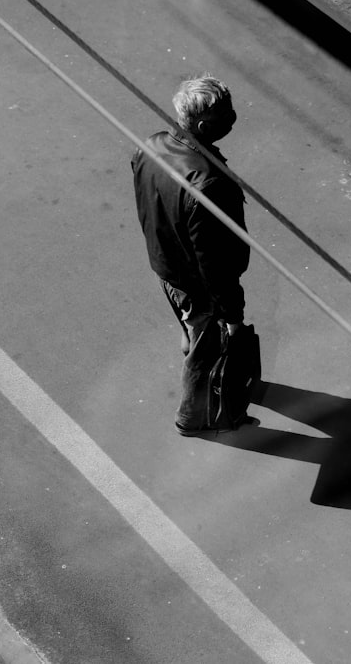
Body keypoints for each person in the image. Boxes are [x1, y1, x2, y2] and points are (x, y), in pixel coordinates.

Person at [132, 75, 257, 436]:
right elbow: (214, 263)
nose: (233, 119)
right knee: (206, 346)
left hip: (164, 261)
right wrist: (232, 313)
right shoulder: (210, 183)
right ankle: (192, 418)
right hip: (194, 280)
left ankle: (192, 340)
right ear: (203, 126)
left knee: (191, 325)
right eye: (227, 115)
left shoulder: (152, 145)